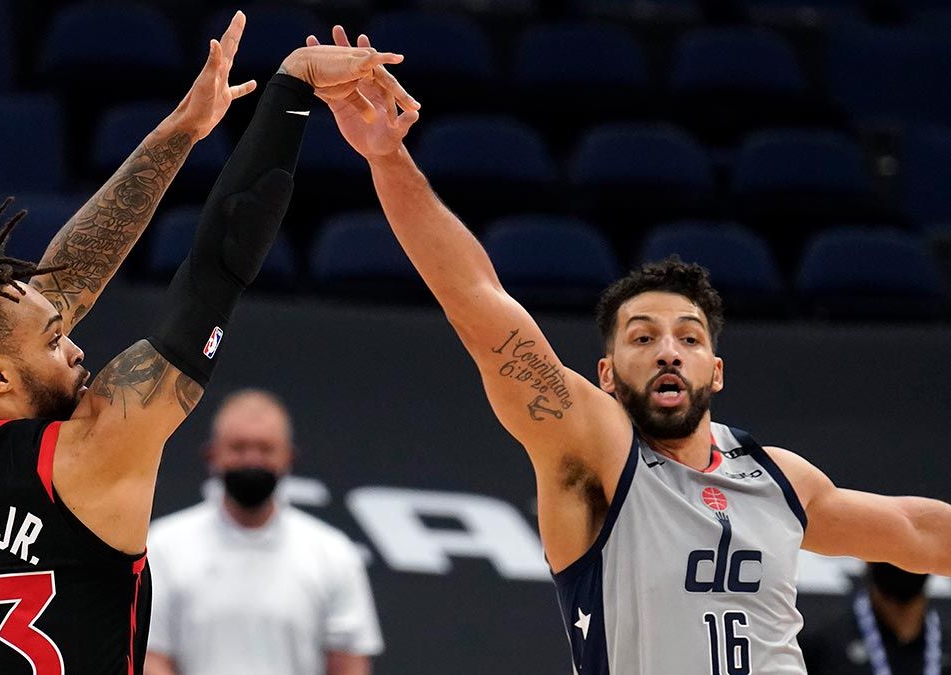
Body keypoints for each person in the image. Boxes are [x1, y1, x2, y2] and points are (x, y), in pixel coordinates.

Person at [307, 23, 951, 675]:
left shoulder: (782, 479)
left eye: (689, 338)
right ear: (608, 374)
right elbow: (477, 301)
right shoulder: (594, 451)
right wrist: (387, 159)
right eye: (643, 336)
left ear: (716, 370)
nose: (669, 350)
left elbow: (919, 533)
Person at [0, 13, 412, 673]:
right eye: (54, 341)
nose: (74, 347)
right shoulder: (91, 450)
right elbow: (216, 266)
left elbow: (58, 288)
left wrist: (181, 129)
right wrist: (291, 88)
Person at [143, 389, 383, 675]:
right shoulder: (163, 547)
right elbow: (151, 656)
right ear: (211, 454)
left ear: (289, 457)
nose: (252, 460)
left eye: (265, 448)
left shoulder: (333, 553)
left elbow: (349, 664)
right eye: (239, 447)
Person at [802, 563, 947, 674]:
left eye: (913, 549)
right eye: (891, 547)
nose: (901, 560)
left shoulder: (944, 642)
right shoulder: (823, 645)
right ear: (867, 559)